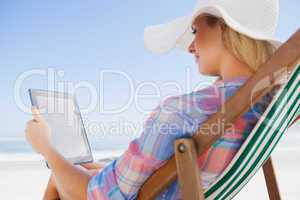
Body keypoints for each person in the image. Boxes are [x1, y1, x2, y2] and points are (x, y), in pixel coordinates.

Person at [25, 0, 282, 199]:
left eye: (195, 31)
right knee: (89, 170)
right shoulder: (264, 100)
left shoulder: (182, 112)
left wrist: (47, 147)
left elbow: (102, 196)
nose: (191, 46)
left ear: (225, 29)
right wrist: (102, 169)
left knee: (57, 178)